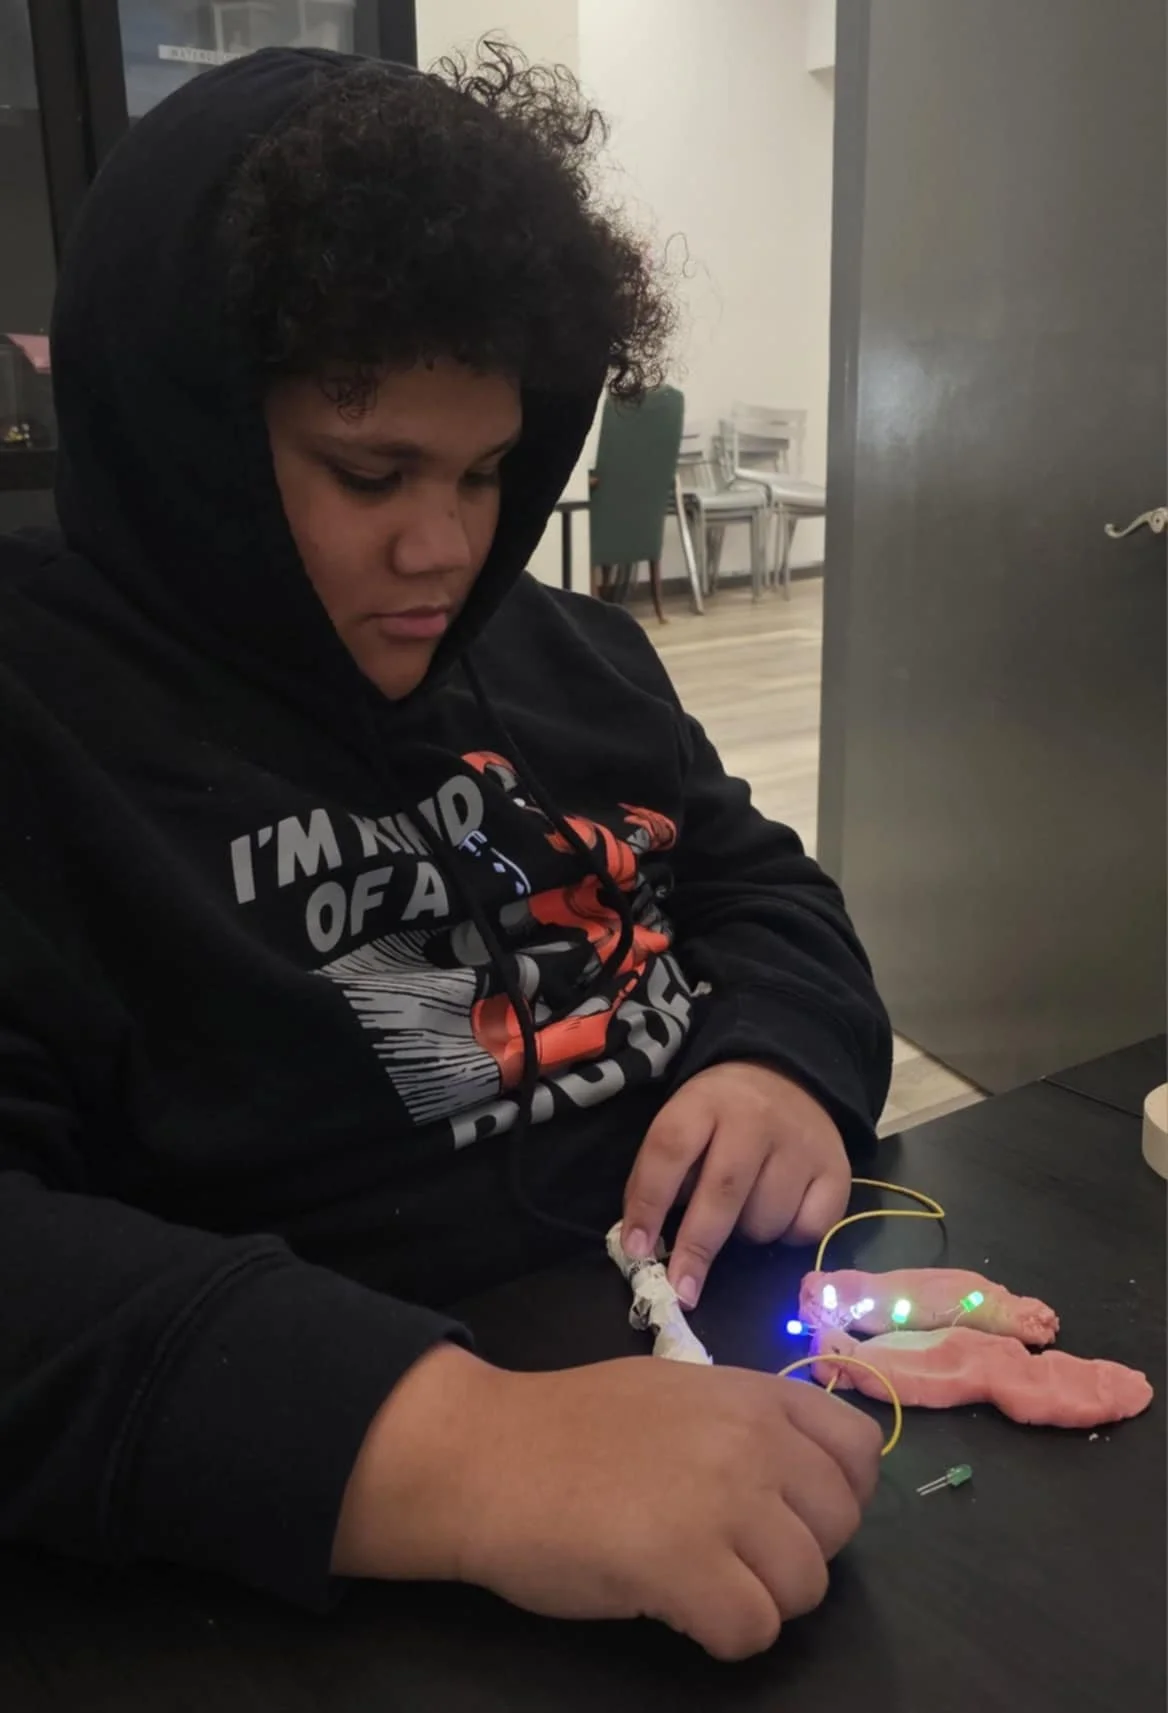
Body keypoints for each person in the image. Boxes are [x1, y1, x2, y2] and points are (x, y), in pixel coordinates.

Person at [0, 44, 892, 1661]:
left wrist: (776, 1063)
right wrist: (460, 1451)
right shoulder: (41, 718)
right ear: (189, 432)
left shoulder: (567, 656)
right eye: (370, 473)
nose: (444, 550)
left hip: (745, 1396)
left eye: (488, 472)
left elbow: (762, 890)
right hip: (316, 1553)